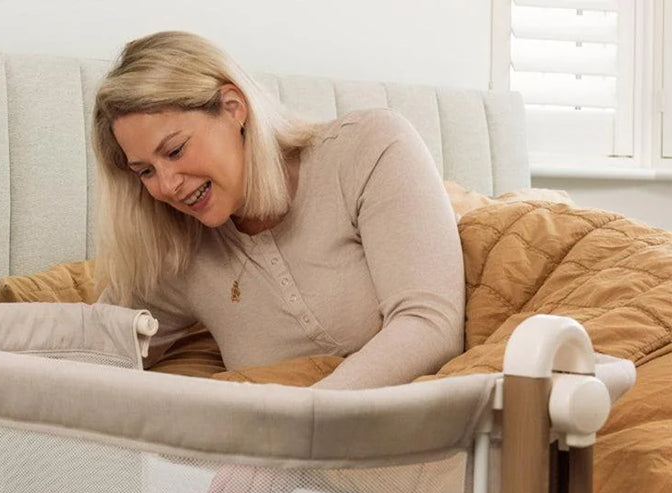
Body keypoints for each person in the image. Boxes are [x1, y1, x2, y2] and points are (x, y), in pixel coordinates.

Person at [91, 31, 465, 398]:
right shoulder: (177, 248)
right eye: (145, 171)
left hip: (347, 429)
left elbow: (429, 323)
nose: (168, 185)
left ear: (233, 108)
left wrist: (300, 423)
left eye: (175, 151)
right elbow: (93, 350)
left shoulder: (368, 148)